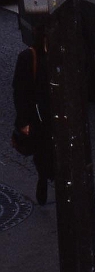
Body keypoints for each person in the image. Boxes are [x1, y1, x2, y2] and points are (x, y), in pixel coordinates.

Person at [12, 26, 53, 204]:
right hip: (38, 116)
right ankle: (43, 179)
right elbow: (20, 92)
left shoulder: (57, 54)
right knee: (43, 151)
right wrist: (23, 121)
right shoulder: (28, 57)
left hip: (52, 114)